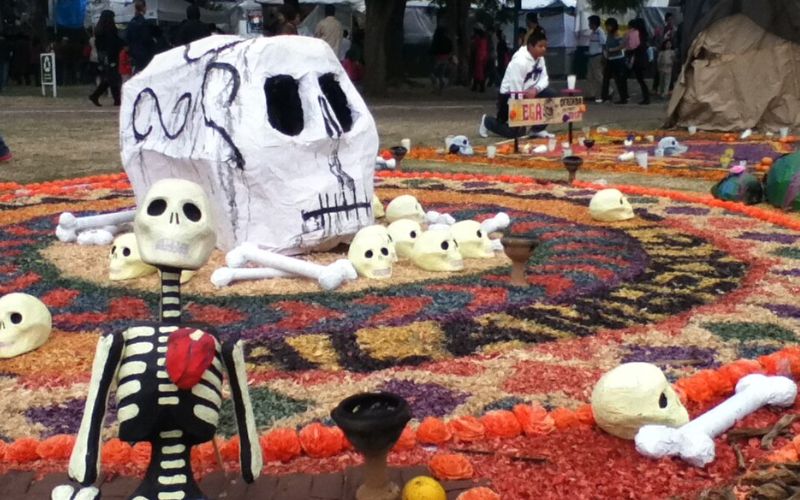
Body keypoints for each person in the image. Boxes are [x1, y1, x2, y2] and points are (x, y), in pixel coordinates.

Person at [478, 31, 555, 139]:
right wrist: (521, 110)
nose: (543, 49)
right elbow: (515, 86)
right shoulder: (520, 61)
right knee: (516, 133)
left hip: (529, 93)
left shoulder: (540, 59)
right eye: (540, 46)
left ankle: (537, 129)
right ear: (530, 46)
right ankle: (488, 121)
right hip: (510, 95)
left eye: (545, 47)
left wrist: (536, 89)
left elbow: (544, 79)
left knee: (551, 94)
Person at [89, 10, 125, 106]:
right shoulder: (109, 30)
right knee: (113, 78)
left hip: (103, 56)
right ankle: (115, 99)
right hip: (111, 55)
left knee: (110, 78)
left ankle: (97, 96)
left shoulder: (99, 30)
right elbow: (114, 43)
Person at [600, 17, 627, 104]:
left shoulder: (617, 34)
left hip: (618, 59)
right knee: (606, 78)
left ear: (613, 26)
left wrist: (612, 50)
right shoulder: (609, 34)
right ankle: (604, 97)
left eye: (608, 26)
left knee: (619, 79)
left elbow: (622, 45)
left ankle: (623, 98)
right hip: (609, 59)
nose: (607, 28)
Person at [126, 0, 156, 74]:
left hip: (135, 54)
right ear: (144, 8)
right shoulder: (144, 22)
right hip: (144, 54)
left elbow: (127, 39)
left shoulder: (131, 22)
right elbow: (146, 39)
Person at [626, 18, 650, 105]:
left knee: (641, 79)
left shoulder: (638, 34)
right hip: (642, 58)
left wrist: (630, 50)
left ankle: (646, 98)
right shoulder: (643, 34)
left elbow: (636, 46)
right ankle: (646, 97)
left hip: (639, 58)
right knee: (641, 79)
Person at [585, 15, 606, 101]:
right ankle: (591, 94)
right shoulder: (593, 33)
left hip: (597, 56)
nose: (588, 24)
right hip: (591, 56)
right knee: (590, 76)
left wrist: (604, 56)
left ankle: (608, 91)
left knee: (598, 76)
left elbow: (604, 44)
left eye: (589, 23)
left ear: (593, 23)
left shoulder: (600, 32)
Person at [430, 27, 452, 94]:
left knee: (432, 74)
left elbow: (433, 49)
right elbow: (450, 49)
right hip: (445, 58)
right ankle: (441, 90)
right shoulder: (448, 40)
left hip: (437, 58)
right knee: (441, 75)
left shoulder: (436, 39)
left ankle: (435, 87)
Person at [470, 23, 489, 92]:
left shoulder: (477, 38)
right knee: (480, 71)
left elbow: (474, 46)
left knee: (478, 71)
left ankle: (480, 86)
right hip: (484, 55)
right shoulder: (485, 38)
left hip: (479, 55)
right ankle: (476, 86)